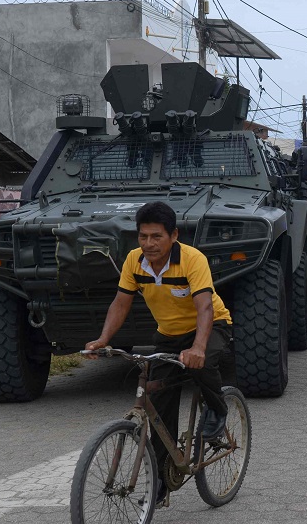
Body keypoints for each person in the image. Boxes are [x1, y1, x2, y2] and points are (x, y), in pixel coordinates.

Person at [85, 201, 232, 500]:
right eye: (143, 236)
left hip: (212, 324)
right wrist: (103, 339)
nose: (149, 244)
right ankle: (164, 481)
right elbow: (121, 303)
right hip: (169, 334)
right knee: (158, 398)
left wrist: (199, 347)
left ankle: (218, 410)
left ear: (173, 235)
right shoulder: (133, 261)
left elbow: (204, 306)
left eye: (156, 237)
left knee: (199, 364)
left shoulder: (192, 259)